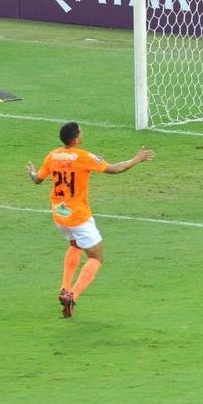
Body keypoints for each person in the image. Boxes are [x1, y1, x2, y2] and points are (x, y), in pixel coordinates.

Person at [27, 122, 153, 318]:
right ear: (76, 139)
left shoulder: (53, 155)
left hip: (60, 215)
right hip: (78, 216)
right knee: (96, 257)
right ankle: (72, 296)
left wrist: (32, 173)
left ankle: (64, 287)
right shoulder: (83, 157)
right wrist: (136, 159)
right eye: (81, 131)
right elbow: (115, 169)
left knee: (75, 244)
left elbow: (37, 180)